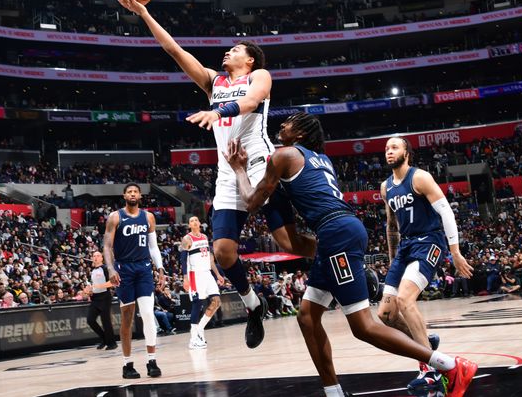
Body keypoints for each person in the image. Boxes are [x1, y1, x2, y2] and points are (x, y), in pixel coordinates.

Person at [224, 112, 478, 397]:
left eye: (290, 122)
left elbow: (251, 200)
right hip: (340, 232)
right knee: (306, 316)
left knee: (363, 326)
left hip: (335, 234)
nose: (282, 125)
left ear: (300, 135)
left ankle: (449, 365)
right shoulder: (320, 160)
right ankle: (333, 392)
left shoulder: (284, 155)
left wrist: (239, 169)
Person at [117, 0, 316, 349]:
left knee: (288, 242)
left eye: (237, 49)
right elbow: (174, 50)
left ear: (251, 60)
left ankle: (335, 253)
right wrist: (143, 13)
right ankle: (254, 305)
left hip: (259, 162)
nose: (229, 51)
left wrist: (218, 112)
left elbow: (252, 102)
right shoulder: (214, 82)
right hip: (228, 171)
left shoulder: (260, 77)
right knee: (223, 253)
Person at [375, 136, 474, 391]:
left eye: (394, 147)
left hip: (429, 242)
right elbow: (391, 225)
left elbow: (446, 212)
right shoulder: (386, 187)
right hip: (405, 247)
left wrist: (455, 251)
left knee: (405, 300)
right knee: (385, 314)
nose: (389, 151)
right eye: (386, 148)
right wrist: (391, 257)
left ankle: (429, 370)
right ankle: (426, 342)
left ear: (407, 153)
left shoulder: (419, 177)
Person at [103, 183, 164, 379]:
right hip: (124, 269)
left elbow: (153, 247)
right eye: (129, 191)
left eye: (135, 191)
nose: (132, 194)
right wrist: (111, 268)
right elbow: (107, 246)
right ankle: (127, 364)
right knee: (127, 318)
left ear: (140, 196)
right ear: (124, 195)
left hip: (144, 268)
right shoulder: (115, 217)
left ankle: (152, 361)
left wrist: (160, 268)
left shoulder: (148, 217)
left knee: (147, 313)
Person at [180, 215, 225, 349]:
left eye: (196, 220)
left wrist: (217, 274)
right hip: (195, 275)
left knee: (217, 302)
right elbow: (183, 260)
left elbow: (210, 259)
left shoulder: (205, 237)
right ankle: (193, 339)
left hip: (207, 273)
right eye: (191, 221)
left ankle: (199, 329)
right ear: (189, 225)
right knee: (197, 304)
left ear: (199, 223)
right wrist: (185, 278)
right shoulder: (187, 238)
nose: (194, 222)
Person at [85, 251, 117, 351]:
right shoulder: (92, 271)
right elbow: (93, 286)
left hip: (105, 297)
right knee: (90, 320)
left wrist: (99, 286)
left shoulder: (105, 268)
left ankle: (112, 343)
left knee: (106, 321)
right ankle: (104, 339)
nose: (95, 257)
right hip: (95, 298)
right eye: (94, 256)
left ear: (101, 258)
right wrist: (89, 291)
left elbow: (113, 283)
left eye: (98, 256)